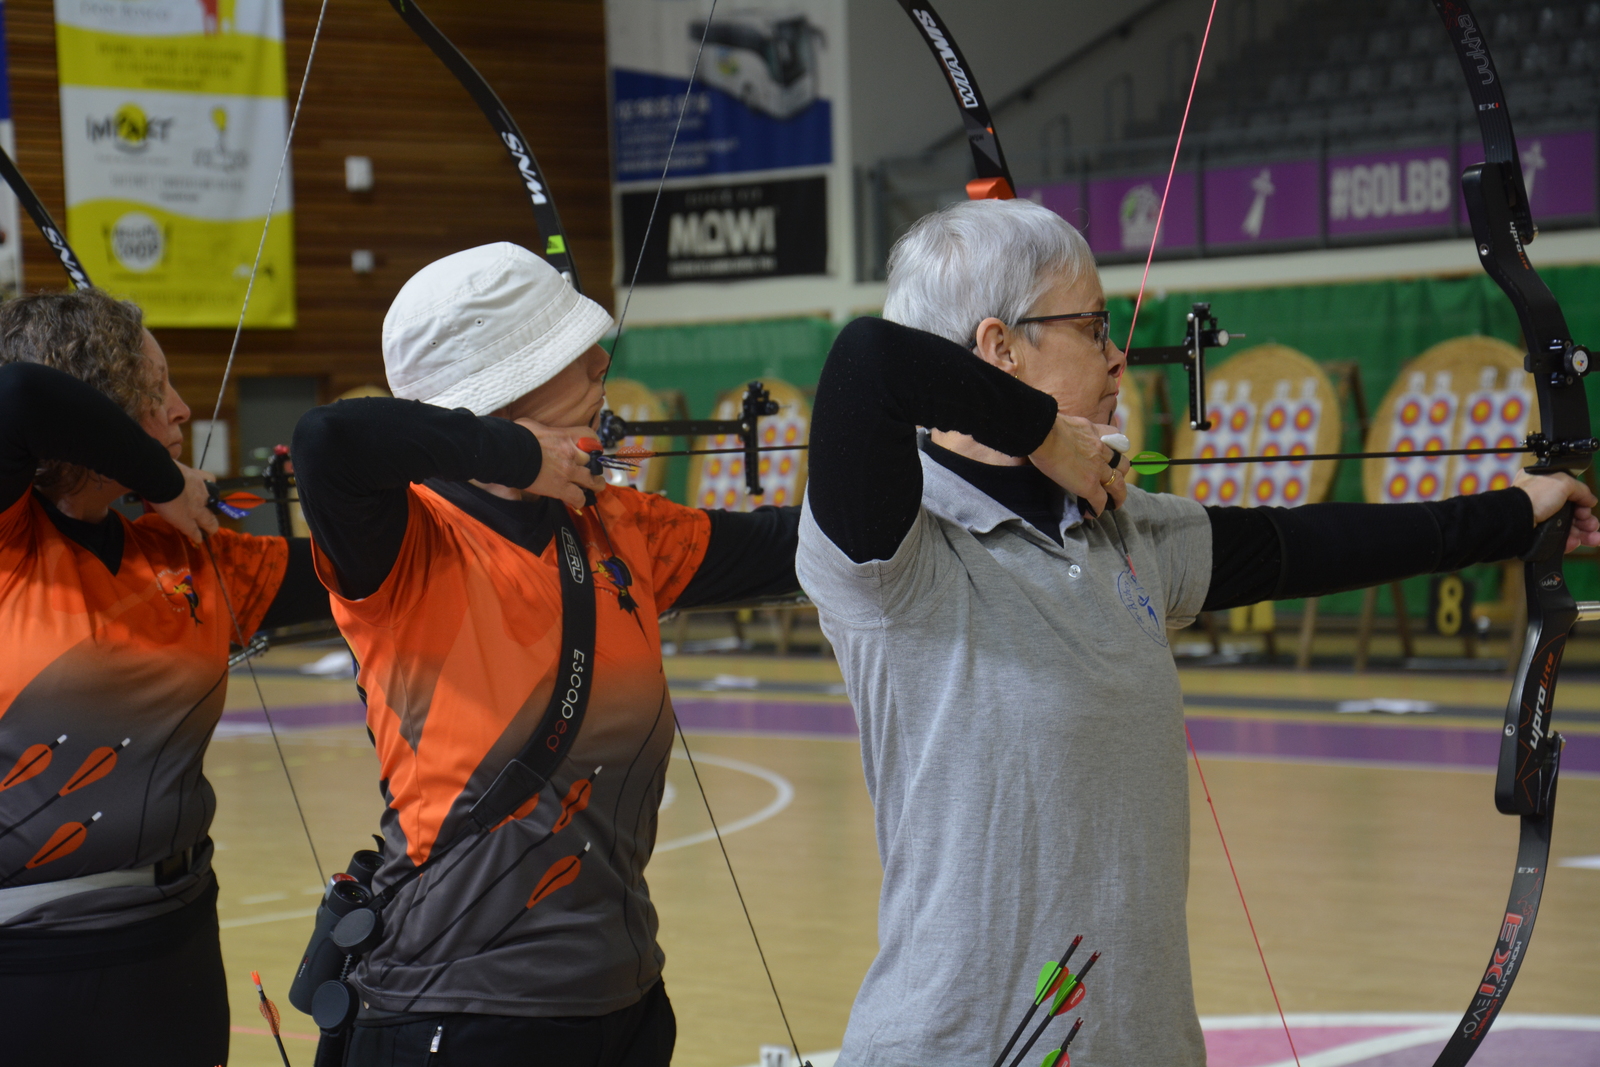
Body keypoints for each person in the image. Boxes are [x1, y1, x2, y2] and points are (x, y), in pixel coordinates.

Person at [794, 197, 1600, 1066]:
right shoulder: (895, 553)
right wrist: (1041, 431)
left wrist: (1516, 512)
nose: (1118, 356)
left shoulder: (1122, 527)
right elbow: (865, 361)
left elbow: (1304, 545)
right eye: (1093, 327)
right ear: (1000, 349)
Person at [292, 242, 799, 1067]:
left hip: (623, 997)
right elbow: (328, 437)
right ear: (504, 387)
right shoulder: (407, 539)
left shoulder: (616, 525)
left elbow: (795, 543)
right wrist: (518, 453)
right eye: (569, 352)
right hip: (456, 1008)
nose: (601, 362)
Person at [0, 288, 332, 1066]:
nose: (182, 408)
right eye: (155, 390)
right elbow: (17, 395)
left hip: (175, 942)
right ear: (101, 406)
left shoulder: (180, 553)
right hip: (27, 962)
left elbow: (357, 570)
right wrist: (163, 477)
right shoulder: (11, 539)